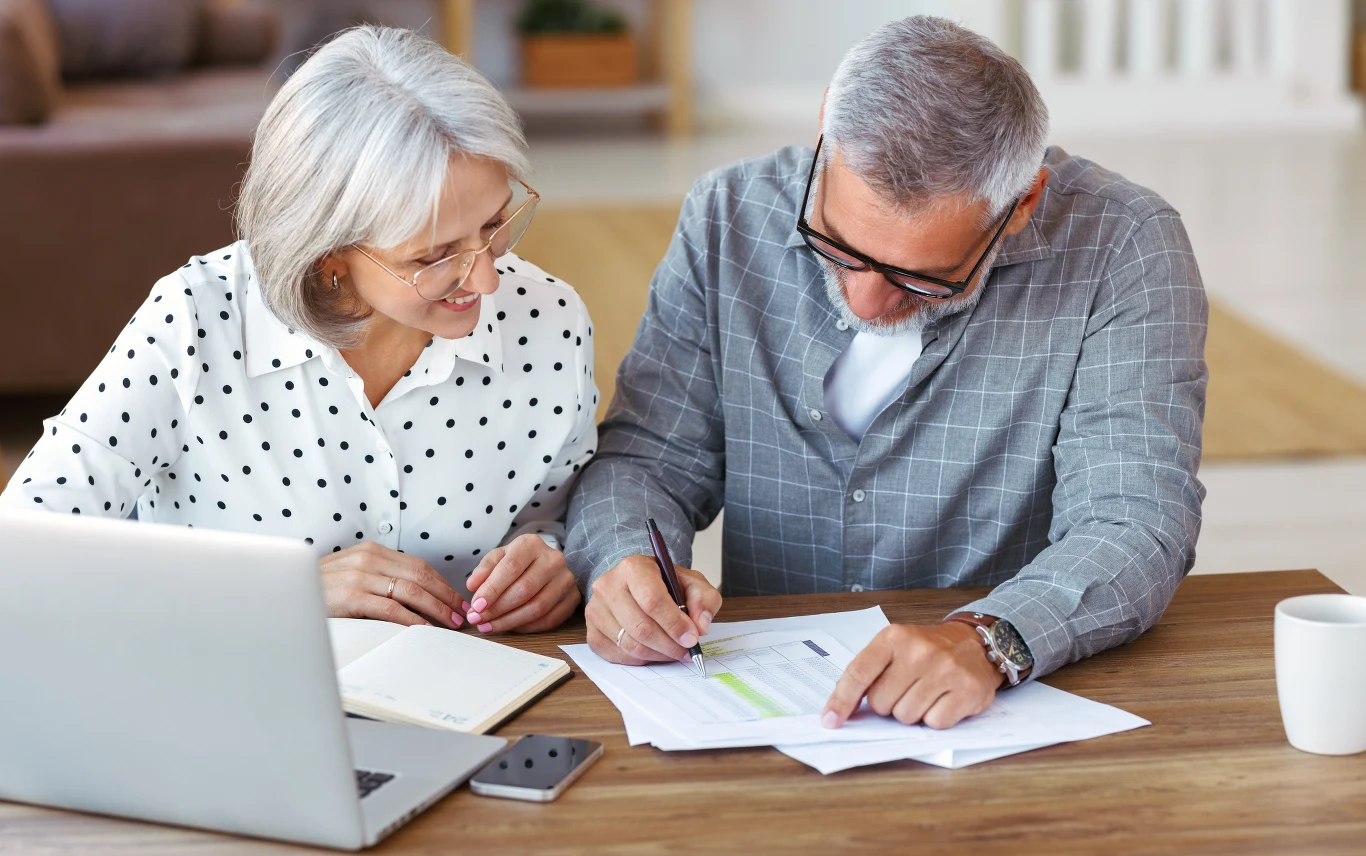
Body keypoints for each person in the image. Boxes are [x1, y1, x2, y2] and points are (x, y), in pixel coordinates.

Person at [565, 16, 1207, 730]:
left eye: (923, 279)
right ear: (824, 135)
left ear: (1022, 203)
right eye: (837, 245)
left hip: (983, 724)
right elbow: (650, 455)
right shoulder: (725, 217)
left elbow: (1135, 519)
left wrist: (991, 638)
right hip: (766, 717)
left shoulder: (1126, 247)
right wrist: (624, 560)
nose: (867, 300)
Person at [0, 27, 598, 636]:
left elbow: (559, 517)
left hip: (480, 705)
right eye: (434, 256)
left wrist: (557, 562)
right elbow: (23, 546)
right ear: (328, 256)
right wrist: (288, 592)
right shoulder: (194, 323)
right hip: (223, 695)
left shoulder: (551, 322)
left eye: (495, 224)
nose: (488, 278)